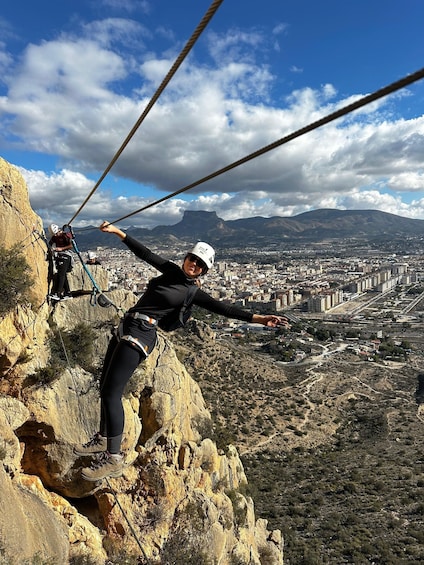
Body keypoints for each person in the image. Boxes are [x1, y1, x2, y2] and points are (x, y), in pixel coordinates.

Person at [74, 221, 289, 482]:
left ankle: (113, 457)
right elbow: (145, 253)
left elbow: (225, 309)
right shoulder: (170, 272)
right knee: (105, 385)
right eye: (193, 259)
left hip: (141, 334)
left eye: (200, 264)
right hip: (127, 325)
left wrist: (260, 319)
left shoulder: (192, 292)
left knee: (112, 392)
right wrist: (119, 232)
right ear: (186, 257)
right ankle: (104, 437)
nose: (194, 264)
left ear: (205, 271)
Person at [47, 223, 74, 301]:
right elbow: (50, 243)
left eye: (56, 234)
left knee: (61, 274)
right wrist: (51, 249)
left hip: (66, 255)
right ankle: (68, 293)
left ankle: (57, 293)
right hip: (60, 256)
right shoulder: (55, 237)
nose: (55, 236)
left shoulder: (65, 235)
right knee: (63, 274)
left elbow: (71, 245)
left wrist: (61, 249)